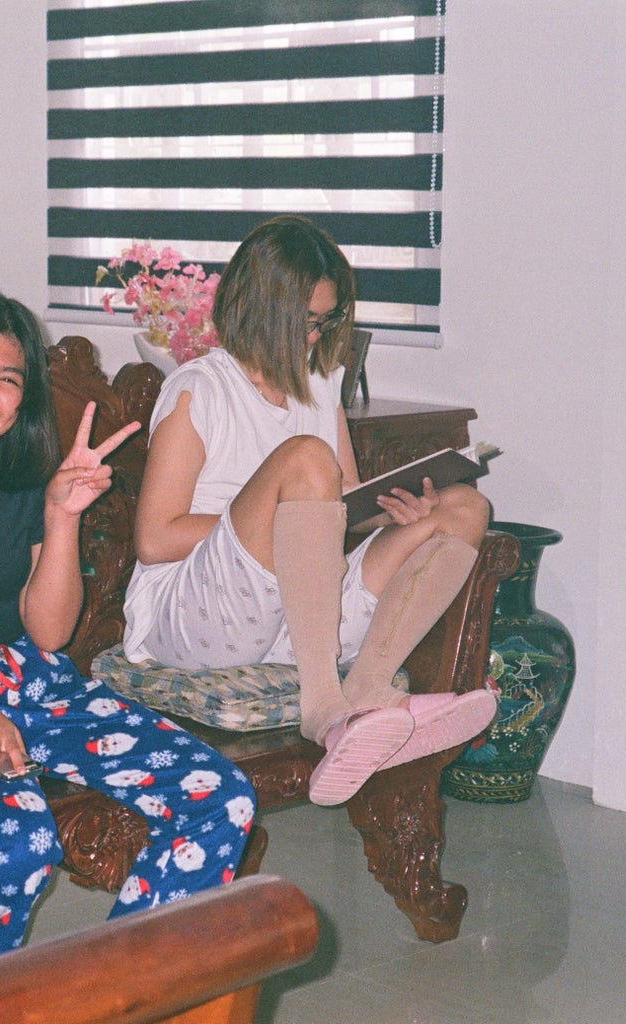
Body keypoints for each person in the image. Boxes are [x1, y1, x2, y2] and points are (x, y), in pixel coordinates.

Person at [0, 289, 256, 978]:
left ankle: (111, 986)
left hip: (28, 682)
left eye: (7, 379)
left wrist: (60, 515)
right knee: (17, 837)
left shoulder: (16, 487)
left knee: (217, 795)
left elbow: (47, 633)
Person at [123, 215, 497, 807]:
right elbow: (154, 538)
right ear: (258, 306)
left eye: (325, 322)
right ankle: (324, 708)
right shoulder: (200, 388)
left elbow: (339, 506)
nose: (314, 338)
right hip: (197, 615)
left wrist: (395, 506)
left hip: (303, 612)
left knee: (464, 508)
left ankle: (371, 688)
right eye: (304, 322)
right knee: (304, 458)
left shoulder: (321, 384)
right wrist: (279, 520)